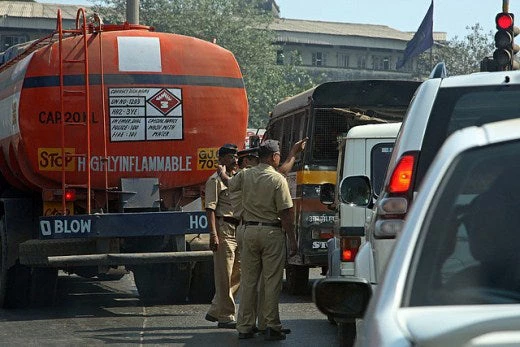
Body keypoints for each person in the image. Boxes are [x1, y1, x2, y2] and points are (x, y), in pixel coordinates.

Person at [221, 139, 307, 336]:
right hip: (271, 233)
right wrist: (293, 241)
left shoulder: (245, 175)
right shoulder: (278, 180)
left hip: (247, 231)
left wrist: (222, 173)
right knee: (271, 281)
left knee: (249, 281)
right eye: (278, 156)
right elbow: (286, 213)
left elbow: (229, 184)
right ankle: (270, 325)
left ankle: (244, 326)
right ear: (274, 157)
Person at [204, 143, 241, 329]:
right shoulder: (215, 180)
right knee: (224, 275)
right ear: (222, 159)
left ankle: (216, 308)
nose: (235, 159)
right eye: (231, 156)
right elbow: (210, 209)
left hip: (239, 229)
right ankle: (226, 316)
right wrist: (213, 235)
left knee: (239, 272)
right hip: (223, 228)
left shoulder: (235, 178)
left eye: (236, 156)